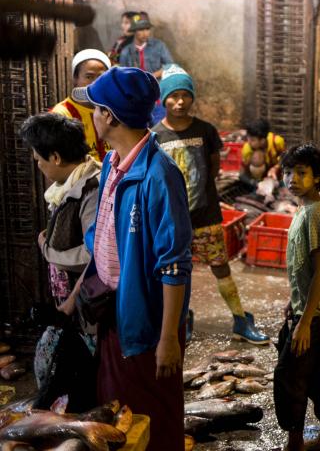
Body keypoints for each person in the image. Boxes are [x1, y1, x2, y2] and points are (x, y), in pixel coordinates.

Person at [74, 67, 192, 451]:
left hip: (147, 323)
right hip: (115, 311)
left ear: (108, 115)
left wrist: (168, 338)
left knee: (155, 419)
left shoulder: (160, 175)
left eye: (94, 107)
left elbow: (174, 263)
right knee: (120, 418)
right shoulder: (112, 163)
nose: (92, 114)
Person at [152, 68, 269, 345]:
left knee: (220, 267)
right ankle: (182, 317)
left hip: (205, 215)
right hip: (170, 219)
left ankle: (240, 319)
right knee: (175, 272)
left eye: (185, 95)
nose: (180, 102)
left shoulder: (205, 130)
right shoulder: (155, 136)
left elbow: (214, 168)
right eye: (173, 96)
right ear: (163, 100)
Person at [274, 143, 320, 451]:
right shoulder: (307, 207)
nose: (292, 178)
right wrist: (295, 302)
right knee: (318, 369)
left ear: (318, 178)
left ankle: (295, 444)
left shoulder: (316, 212)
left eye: (301, 173)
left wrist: (304, 321)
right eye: (288, 172)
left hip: (319, 310)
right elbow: (305, 270)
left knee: (290, 374)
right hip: (317, 306)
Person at [20, 113, 100, 310]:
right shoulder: (67, 186)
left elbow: (95, 255)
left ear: (55, 157)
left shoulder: (92, 190)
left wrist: (49, 252)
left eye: (39, 160)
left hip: (89, 304)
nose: (38, 166)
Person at [52, 49, 112, 162]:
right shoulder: (62, 114)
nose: (95, 83)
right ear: (75, 79)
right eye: (89, 77)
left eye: (101, 77)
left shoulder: (115, 109)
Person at [118, 14, 174, 79]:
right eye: (141, 29)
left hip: (157, 84)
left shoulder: (159, 46)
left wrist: (153, 76)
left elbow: (170, 66)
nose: (145, 33)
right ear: (135, 31)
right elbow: (122, 74)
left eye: (147, 29)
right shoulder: (126, 51)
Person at [241, 119, 287, 185]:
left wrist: (275, 168)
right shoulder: (247, 149)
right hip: (259, 181)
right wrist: (255, 183)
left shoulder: (277, 142)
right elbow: (242, 174)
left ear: (262, 140)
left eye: (253, 140)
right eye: (248, 138)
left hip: (278, 178)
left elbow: (286, 158)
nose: (249, 142)